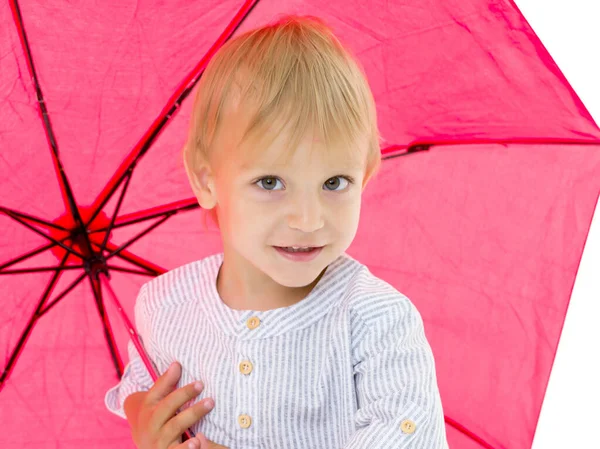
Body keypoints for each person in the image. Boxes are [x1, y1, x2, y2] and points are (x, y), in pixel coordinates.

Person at [105, 14, 448, 449]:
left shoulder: (374, 322)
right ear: (206, 179)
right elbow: (141, 389)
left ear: (366, 174)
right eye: (270, 182)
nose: (308, 219)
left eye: (334, 183)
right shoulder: (164, 305)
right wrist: (146, 421)